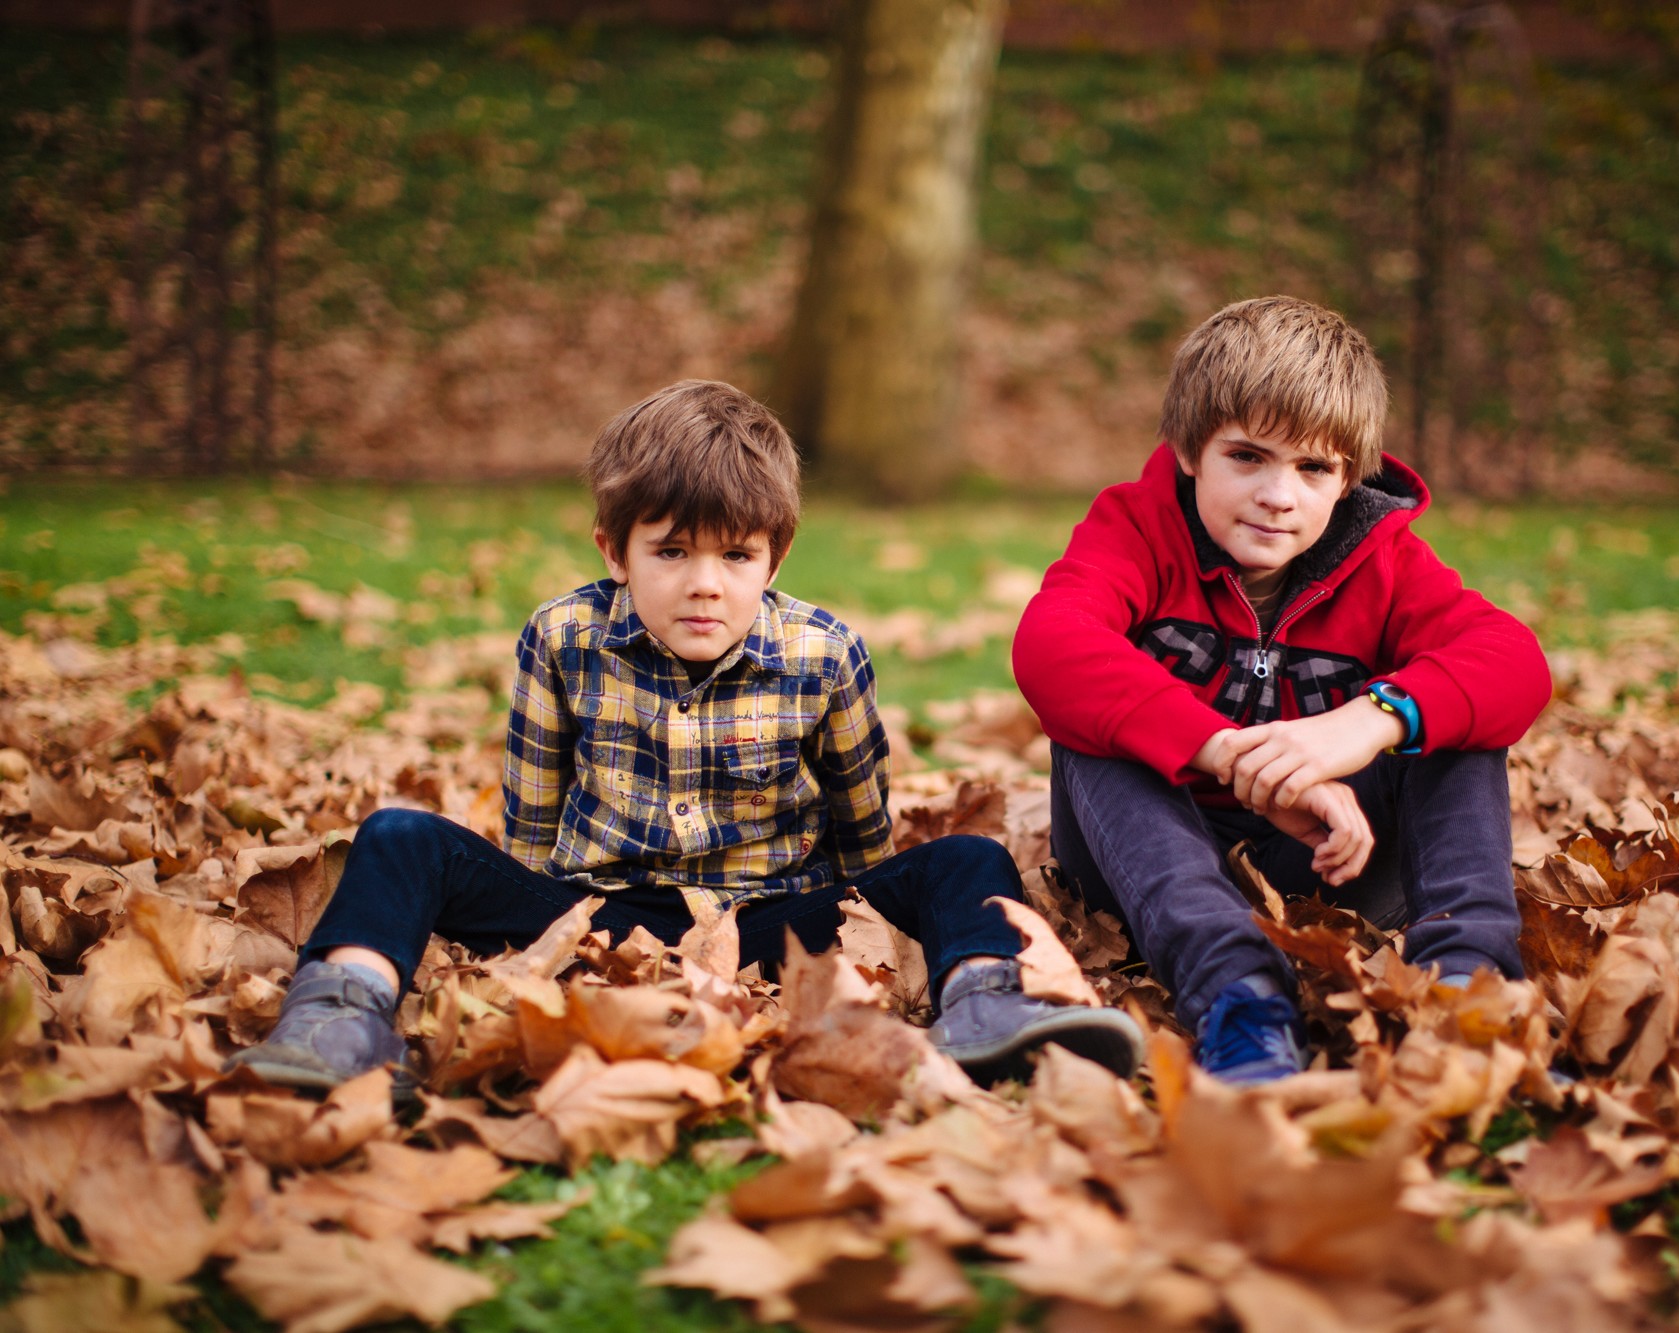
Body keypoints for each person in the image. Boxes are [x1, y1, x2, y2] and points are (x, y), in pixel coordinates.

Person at [226, 380, 1142, 1092]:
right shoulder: (563, 637)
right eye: (671, 552)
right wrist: (540, 929)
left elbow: (862, 820)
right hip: (597, 910)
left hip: (776, 921)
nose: (705, 583)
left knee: (964, 860)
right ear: (613, 552)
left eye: (736, 556)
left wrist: (866, 907)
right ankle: (341, 1011)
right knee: (398, 837)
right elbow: (533, 809)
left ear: (773, 559)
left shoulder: (824, 655)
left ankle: (984, 1005)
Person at [1012, 296, 1550, 1084]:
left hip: (1332, 861)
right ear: (1192, 450)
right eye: (1249, 457)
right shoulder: (1136, 528)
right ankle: (1239, 996)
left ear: (1347, 476)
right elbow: (1051, 642)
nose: (1279, 495)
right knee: (1096, 723)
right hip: (1147, 864)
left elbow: (1516, 661)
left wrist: (1364, 725)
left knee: (1454, 716)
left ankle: (1469, 991)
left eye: (1313, 467)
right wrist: (1228, 753)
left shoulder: (1385, 561)